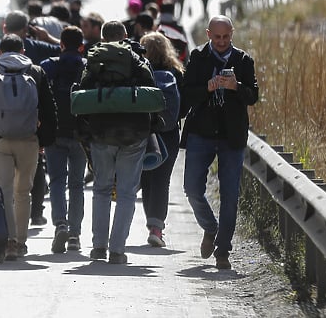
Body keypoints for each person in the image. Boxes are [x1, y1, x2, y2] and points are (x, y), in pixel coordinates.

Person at [0, 34, 57, 260]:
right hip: (29, 139)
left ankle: (8, 241)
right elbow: (49, 109)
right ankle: (21, 242)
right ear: (23, 51)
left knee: (4, 189)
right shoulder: (36, 72)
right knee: (23, 192)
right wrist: (43, 140)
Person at [180, 15, 259, 270]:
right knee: (192, 188)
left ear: (232, 33)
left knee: (230, 196)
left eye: (226, 37)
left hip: (231, 135)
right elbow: (187, 93)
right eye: (217, 37)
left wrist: (236, 87)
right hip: (201, 132)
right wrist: (208, 87)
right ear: (208, 35)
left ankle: (223, 250)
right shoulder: (198, 56)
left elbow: (253, 96)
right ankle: (210, 227)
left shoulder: (243, 60)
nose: (222, 41)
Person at [78, 21, 155, 264]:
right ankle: (117, 249)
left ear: (102, 38)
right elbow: (151, 90)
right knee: (126, 192)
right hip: (133, 133)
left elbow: (83, 94)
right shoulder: (137, 59)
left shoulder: (93, 61)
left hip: (101, 132)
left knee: (100, 188)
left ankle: (98, 246)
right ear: (124, 36)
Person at [40, 26, 87, 254]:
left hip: (54, 132)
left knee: (57, 180)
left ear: (60, 44)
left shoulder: (49, 66)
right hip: (80, 133)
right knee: (77, 184)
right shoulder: (87, 66)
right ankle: (75, 235)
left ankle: (61, 224)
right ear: (81, 46)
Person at [138, 32, 184, 248]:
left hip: (144, 132)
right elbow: (184, 106)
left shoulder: (138, 72)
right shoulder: (176, 72)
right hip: (169, 133)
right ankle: (157, 228)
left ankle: (151, 225)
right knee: (162, 180)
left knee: (146, 178)